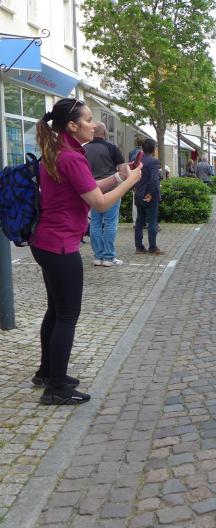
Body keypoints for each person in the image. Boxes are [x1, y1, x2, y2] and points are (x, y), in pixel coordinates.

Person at [30, 97, 142, 405]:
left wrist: (119, 177)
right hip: (61, 245)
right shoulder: (70, 157)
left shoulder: (59, 151)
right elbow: (100, 203)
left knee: (55, 311)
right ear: (72, 125)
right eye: (89, 119)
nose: (94, 125)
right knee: (67, 315)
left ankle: (47, 373)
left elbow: (87, 187)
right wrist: (131, 181)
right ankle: (56, 388)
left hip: (47, 241)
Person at [83, 122, 126, 267]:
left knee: (95, 222)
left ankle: (98, 256)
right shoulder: (111, 148)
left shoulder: (84, 149)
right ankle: (108, 257)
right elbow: (122, 170)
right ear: (105, 133)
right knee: (110, 222)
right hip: (111, 190)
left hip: (92, 190)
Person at [134, 139, 163, 255]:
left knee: (139, 221)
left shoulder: (137, 160)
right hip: (148, 196)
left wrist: (135, 188)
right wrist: (152, 193)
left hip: (138, 194)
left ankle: (139, 247)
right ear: (153, 149)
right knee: (152, 221)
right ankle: (152, 247)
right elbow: (154, 180)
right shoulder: (153, 162)